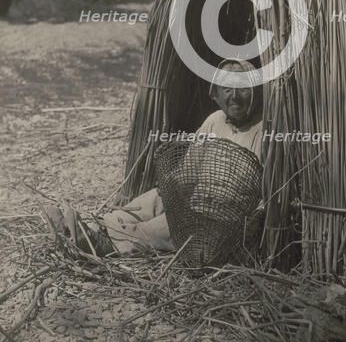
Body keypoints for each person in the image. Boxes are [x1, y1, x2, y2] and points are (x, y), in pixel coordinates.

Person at [43, 59, 263, 257]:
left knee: (165, 227)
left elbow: (266, 194)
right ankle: (94, 228)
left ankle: (102, 245)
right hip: (198, 198)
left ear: (255, 92)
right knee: (153, 200)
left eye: (242, 89)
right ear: (216, 94)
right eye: (226, 89)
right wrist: (172, 190)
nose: (234, 96)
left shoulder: (265, 130)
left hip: (222, 219)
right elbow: (191, 167)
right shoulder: (215, 120)